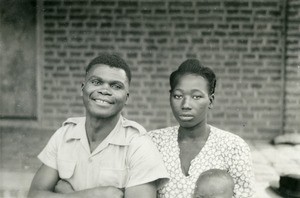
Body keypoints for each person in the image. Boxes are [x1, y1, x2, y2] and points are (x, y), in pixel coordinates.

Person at [28, 53, 169, 198]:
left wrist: (65, 193)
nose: (104, 90)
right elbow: (34, 195)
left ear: (126, 97)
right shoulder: (64, 135)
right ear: (82, 87)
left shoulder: (139, 145)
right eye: (96, 82)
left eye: (116, 86)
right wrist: (96, 194)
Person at [149, 59, 254, 198]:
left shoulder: (234, 147)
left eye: (196, 96)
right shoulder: (153, 142)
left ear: (210, 101)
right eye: (178, 96)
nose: (186, 104)